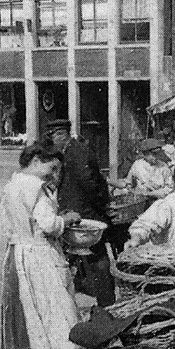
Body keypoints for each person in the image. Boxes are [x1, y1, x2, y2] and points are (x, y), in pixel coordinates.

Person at [0, 141, 83, 349]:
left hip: (18, 257)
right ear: (36, 160)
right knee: (55, 321)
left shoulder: (13, 184)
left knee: (26, 323)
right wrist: (64, 220)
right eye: (52, 167)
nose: (54, 175)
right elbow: (48, 224)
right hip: (40, 259)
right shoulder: (36, 187)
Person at [44, 119, 116, 306]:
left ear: (61, 134)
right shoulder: (67, 152)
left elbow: (90, 183)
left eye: (53, 136)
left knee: (97, 257)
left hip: (86, 213)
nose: (52, 142)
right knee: (74, 255)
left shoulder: (78, 151)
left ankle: (106, 304)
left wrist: (102, 205)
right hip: (74, 211)